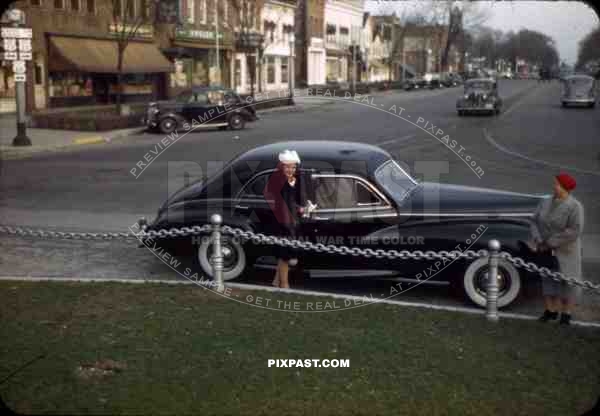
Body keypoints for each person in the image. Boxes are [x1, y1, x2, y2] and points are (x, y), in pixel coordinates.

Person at [528, 173, 584, 325]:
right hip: (544, 248)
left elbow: (574, 230)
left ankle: (566, 314)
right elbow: (533, 221)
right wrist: (539, 240)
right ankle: (550, 311)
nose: (554, 186)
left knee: (568, 282)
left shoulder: (575, 206)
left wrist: (550, 242)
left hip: (566, 252)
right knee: (547, 279)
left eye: (557, 184)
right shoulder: (545, 202)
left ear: (565, 188)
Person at [266, 150, 306, 289]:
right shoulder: (278, 180)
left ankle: (276, 282)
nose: (291, 169)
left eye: (293, 167)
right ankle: (284, 285)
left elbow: (291, 201)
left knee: (285, 255)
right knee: (285, 255)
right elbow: (281, 202)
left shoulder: (293, 179)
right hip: (282, 222)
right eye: (288, 167)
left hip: (290, 220)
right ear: (281, 166)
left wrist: (299, 208)